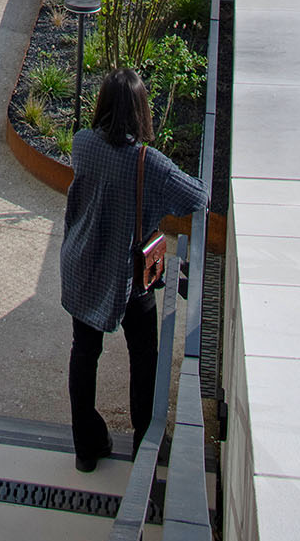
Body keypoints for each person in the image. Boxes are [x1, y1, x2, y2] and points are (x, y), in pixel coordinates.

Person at [60, 67, 207, 472]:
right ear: (142, 110)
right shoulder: (149, 162)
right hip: (128, 281)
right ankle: (146, 446)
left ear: (103, 104)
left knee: (84, 353)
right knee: (144, 359)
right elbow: (198, 196)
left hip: (83, 267)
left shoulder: (83, 143)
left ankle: (86, 448)